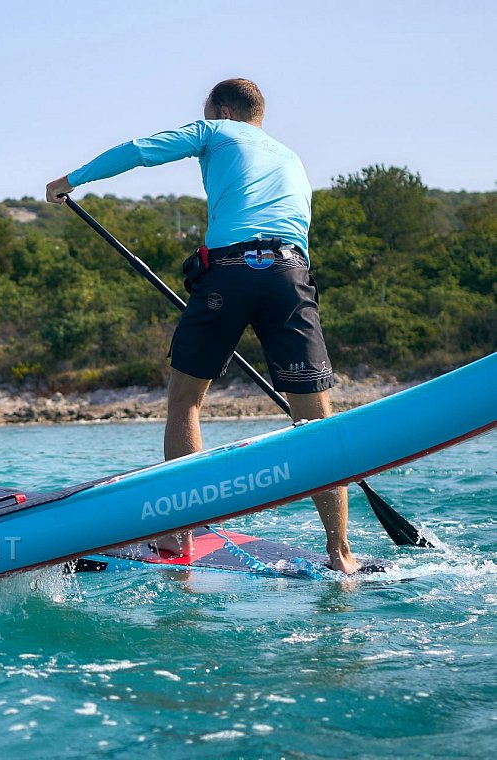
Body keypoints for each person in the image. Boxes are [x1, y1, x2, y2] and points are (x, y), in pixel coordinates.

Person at [45, 78, 359, 573]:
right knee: (317, 425)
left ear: (224, 110)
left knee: (186, 402)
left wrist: (71, 180)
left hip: (229, 274)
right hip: (290, 276)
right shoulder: (292, 157)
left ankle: (179, 537)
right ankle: (340, 552)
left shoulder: (217, 131)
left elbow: (140, 150)